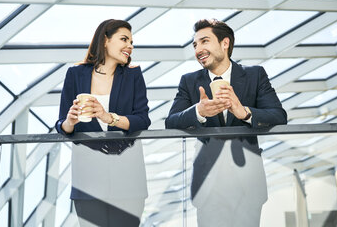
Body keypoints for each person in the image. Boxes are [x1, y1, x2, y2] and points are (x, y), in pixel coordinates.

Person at [165, 19, 287, 227]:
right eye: (195, 45)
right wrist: (198, 112)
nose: (198, 49)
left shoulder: (255, 75)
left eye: (204, 41)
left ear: (225, 43)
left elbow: (278, 116)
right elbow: (171, 121)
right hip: (208, 184)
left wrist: (244, 112)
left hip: (248, 180)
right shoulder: (189, 81)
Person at [55, 19, 151, 227]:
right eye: (124, 39)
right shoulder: (75, 74)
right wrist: (70, 121)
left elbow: (143, 120)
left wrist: (110, 118)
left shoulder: (133, 75)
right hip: (88, 178)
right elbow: (62, 125)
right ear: (105, 40)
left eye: (132, 42)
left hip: (128, 176)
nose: (130, 46)